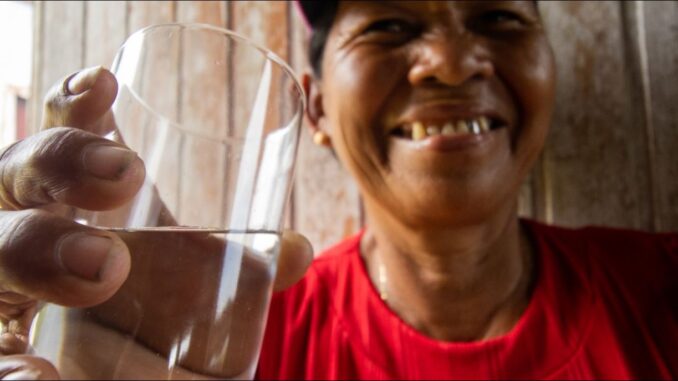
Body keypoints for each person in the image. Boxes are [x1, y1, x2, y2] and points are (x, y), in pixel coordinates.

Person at [0, 1, 675, 379]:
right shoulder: (239, 340)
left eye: (499, 17)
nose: (450, 61)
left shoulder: (662, 289)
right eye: (389, 25)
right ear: (316, 110)